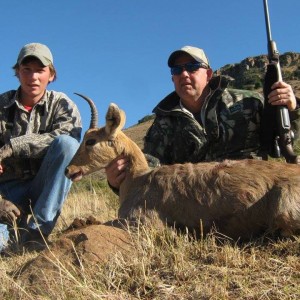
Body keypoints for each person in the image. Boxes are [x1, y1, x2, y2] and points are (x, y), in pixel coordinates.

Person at [105, 45, 299, 190]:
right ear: (172, 78)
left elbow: (282, 141)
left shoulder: (250, 101)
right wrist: (117, 181)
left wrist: (292, 108)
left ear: (208, 74)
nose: (184, 74)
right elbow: (148, 171)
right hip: (199, 207)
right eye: (177, 70)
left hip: (254, 191)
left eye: (192, 67)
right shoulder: (161, 125)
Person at [0, 43, 82, 252]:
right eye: (26, 69)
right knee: (5, 248)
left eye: (40, 70)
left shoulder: (63, 104)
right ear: (17, 72)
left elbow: (68, 137)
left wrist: (14, 146)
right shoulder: (2, 104)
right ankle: (15, 233)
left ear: (51, 75)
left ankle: (39, 232)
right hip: (7, 193)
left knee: (67, 145)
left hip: (43, 188)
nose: (33, 77)